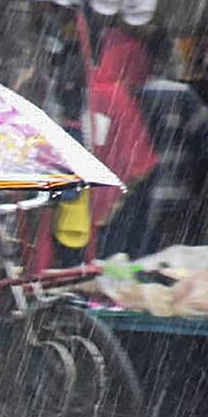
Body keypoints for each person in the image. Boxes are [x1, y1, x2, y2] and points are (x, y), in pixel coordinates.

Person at [135, 30, 208, 250]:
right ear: (167, 55)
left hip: (131, 204)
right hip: (173, 204)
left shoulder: (125, 90)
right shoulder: (181, 95)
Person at [90, 26, 159, 259]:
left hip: (92, 199)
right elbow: (135, 159)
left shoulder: (95, 91)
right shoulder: (116, 96)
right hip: (120, 194)